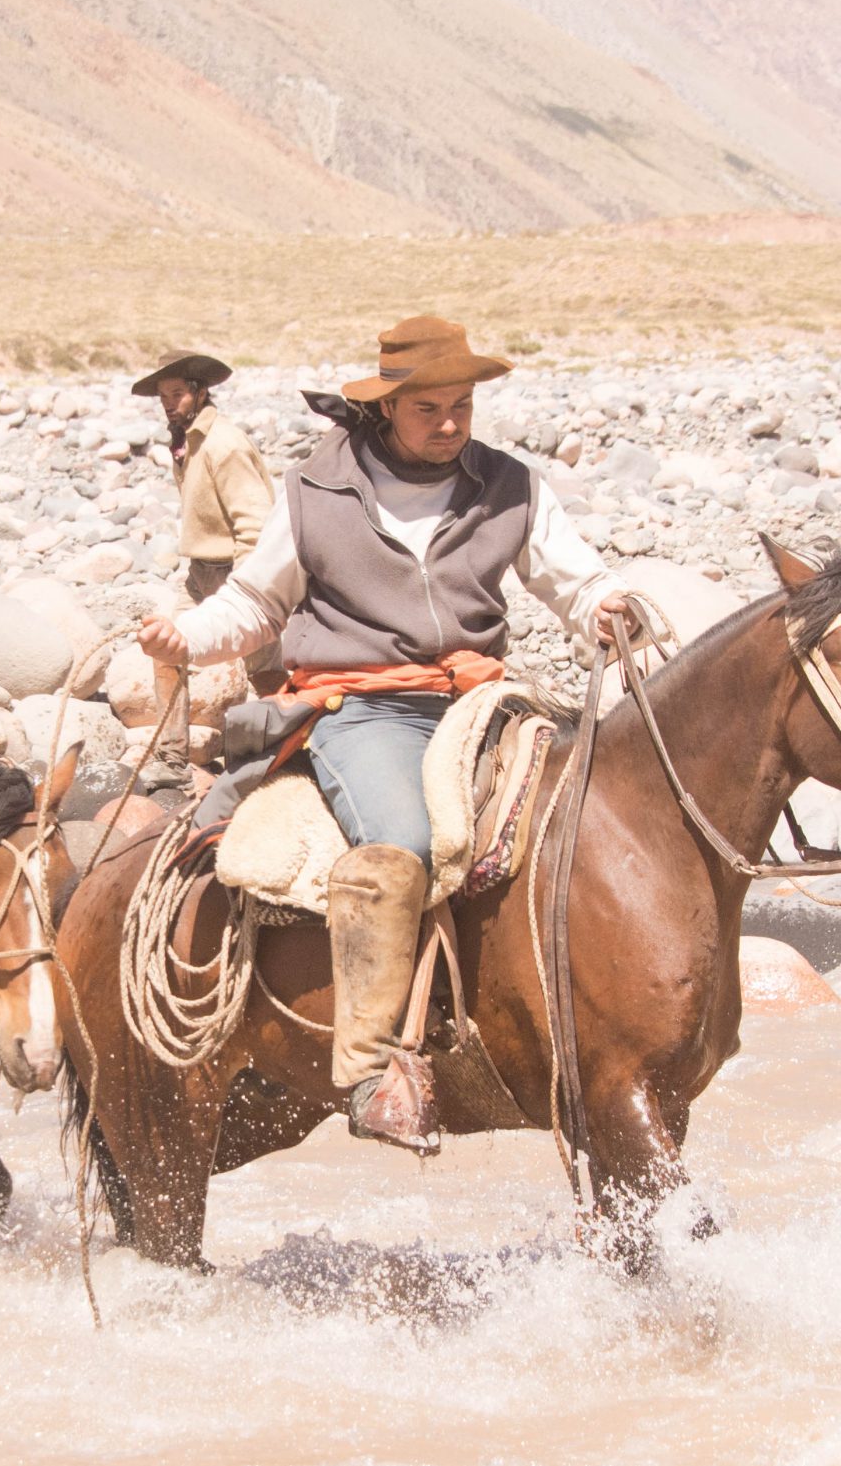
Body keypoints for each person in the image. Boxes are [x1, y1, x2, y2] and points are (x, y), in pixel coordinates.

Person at [139, 315, 635, 1154]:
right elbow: (257, 603)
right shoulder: (314, 493)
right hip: (364, 706)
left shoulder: (509, 484)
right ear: (384, 408)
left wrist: (606, 607)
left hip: (483, 694)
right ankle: (370, 1065)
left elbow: (572, 578)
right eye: (429, 409)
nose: (449, 425)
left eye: (463, 407)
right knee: (402, 840)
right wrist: (187, 635)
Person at [134, 350, 282, 695]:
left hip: (234, 571)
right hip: (200, 572)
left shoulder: (224, 444)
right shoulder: (188, 441)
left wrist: (249, 587)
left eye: (177, 394)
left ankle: (295, 746)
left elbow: (255, 524)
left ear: (200, 393)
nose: (169, 404)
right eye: (163, 397)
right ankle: (172, 749)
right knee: (167, 651)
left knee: (263, 671)